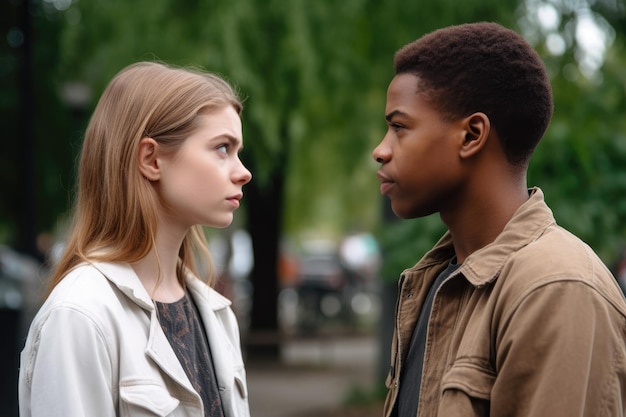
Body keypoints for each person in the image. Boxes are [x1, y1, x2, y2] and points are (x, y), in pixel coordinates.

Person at [373, 22, 626, 417]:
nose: (381, 150)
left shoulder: (556, 288)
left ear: (472, 135)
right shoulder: (435, 283)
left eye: (399, 127)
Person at [18, 61, 252, 417]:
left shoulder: (217, 314)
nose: (244, 172)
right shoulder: (81, 315)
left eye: (237, 152)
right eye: (222, 148)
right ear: (151, 159)